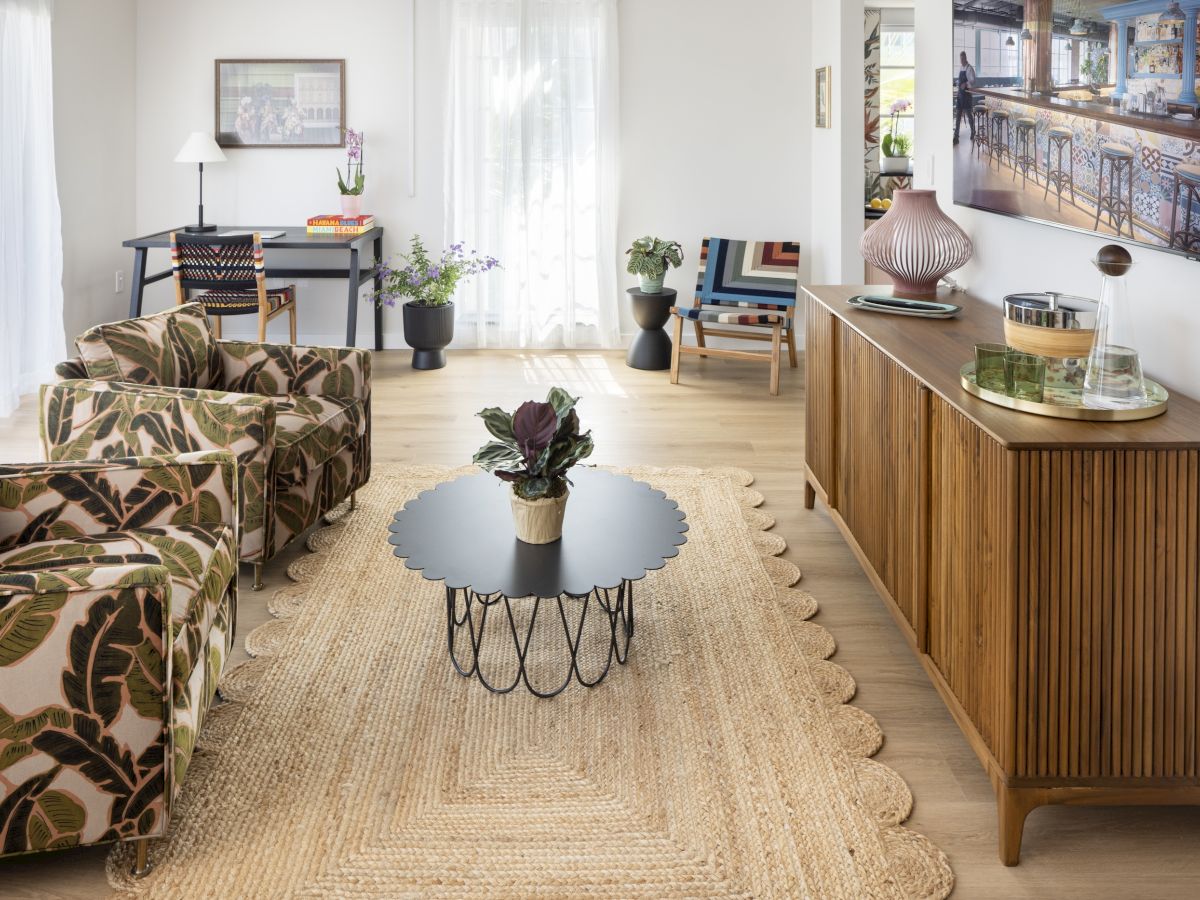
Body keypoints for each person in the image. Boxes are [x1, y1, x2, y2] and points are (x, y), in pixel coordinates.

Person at [953, 51, 977, 145]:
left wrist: (966, 84)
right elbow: (961, 79)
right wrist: (957, 82)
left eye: (963, 59)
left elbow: (973, 81)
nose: (961, 61)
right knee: (958, 116)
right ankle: (956, 137)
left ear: (966, 58)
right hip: (960, 95)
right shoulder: (961, 67)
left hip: (966, 96)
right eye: (960, 59)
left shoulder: (969, 68)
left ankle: (973, 131)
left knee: (969, 116)